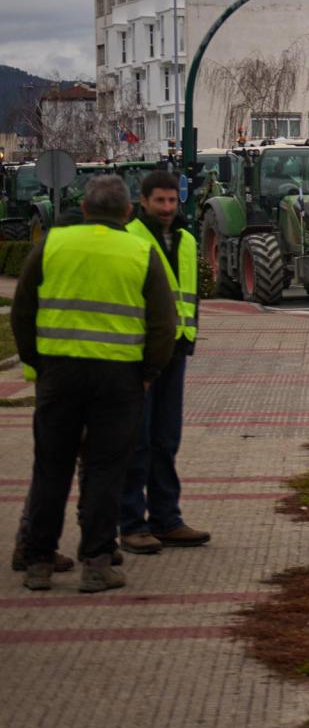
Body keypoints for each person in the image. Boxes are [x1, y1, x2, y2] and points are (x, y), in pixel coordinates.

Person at [12, 175, 176, 593]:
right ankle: (97, 564)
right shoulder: (141, 251)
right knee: (105, 470)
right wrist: (148, 374)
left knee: (51, 468)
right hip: (119, 380)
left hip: (58, 374)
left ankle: (38, 562)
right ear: (128, 211)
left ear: (84, 209)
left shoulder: (51, 244)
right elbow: (163, 324)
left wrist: (37, 363)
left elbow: (22, 311)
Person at [118, 170, 210, 555]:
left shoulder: (187, 239)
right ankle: (132, 523)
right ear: (143, 201)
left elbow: (189, 294)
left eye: (172, 200)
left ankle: (166, 519)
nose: (168, 208)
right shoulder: (130, 238)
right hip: (139, 354)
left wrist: (189, 335)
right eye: (160, 200)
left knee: (166, 440)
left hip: (175, 350)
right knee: (137, 442)